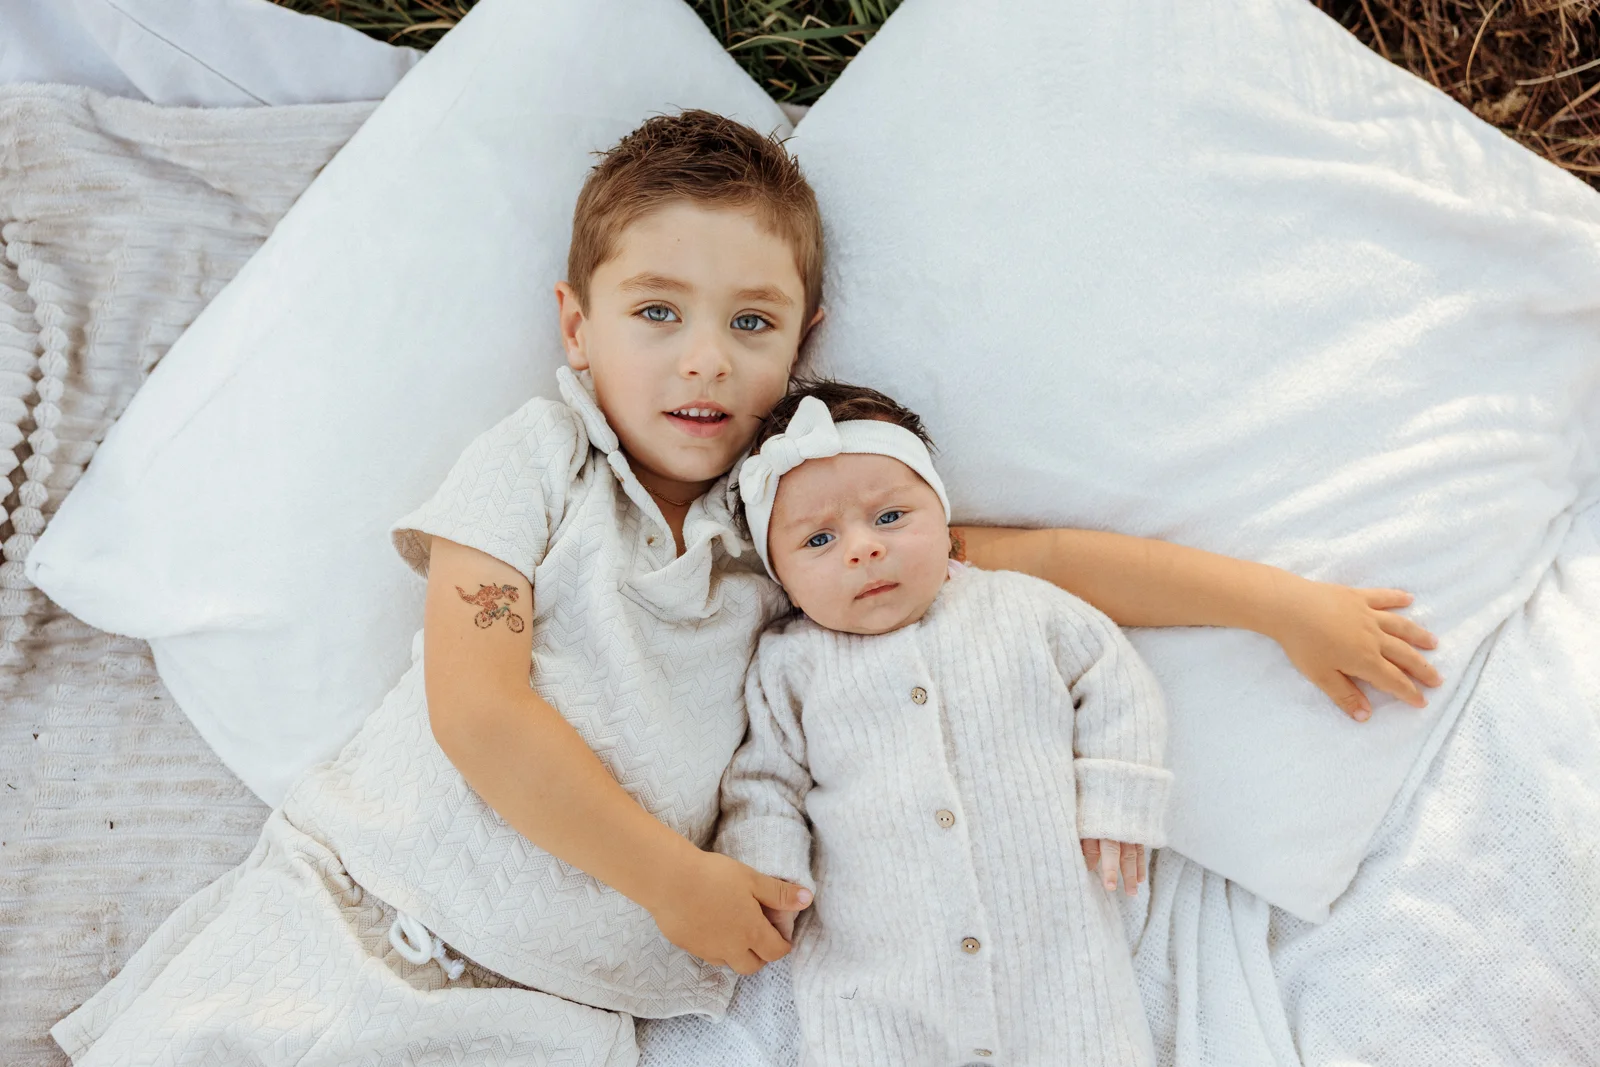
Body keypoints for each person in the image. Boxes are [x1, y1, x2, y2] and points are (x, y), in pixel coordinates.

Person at [53, 110, 1440, 1067]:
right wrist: (677, 880)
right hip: (366, 910)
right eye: (657, 311)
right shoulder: (537, 460)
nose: (704, 360)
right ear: (576, 326)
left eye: (751, 322)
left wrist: (1276, 602)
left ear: (803, 341)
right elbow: (477, 708)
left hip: (563, 1007)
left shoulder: (791, 523)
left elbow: (1028, 558)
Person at [713, 382, 1169, 1066]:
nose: (863, 549)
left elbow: (1112, 673)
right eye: (819, 538)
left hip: (1053, 954)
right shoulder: (790, 665)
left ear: (944, 515)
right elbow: (764, 784)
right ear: (781, 576)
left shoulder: (1020, 608)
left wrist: (1116, 798)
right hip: (880, 975)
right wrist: (768, 875)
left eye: (891, 516)